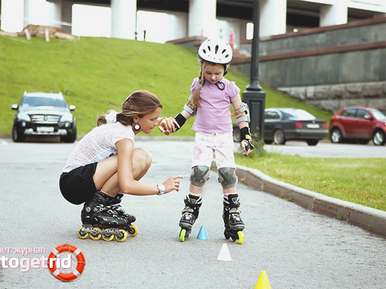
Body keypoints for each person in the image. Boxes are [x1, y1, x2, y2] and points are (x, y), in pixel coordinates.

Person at [159, 38, 254, 243]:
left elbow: (240, 112)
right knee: (199, 171)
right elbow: (190, 108)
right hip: (203, 135)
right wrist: (176, 123)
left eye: (217, 73)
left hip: (223, 137)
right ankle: (190, 210)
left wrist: (245, 136)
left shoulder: (230, 88)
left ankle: (232, 214)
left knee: (228, 174)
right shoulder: (198, 84)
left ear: (226, 69)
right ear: (202, 66)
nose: (212, 77)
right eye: (208, 72)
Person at [59, 90, 183, 241]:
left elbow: (142, 122)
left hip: (82, 179)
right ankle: (96, 210)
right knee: (138, 157)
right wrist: (162, 188)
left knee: (144, 157)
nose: (156, 123)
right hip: (74, 182)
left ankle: (107, 205)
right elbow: (127, 185)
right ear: (136, 117)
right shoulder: (123, 136)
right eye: (153, 119)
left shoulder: (124, 123)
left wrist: (161, 120)